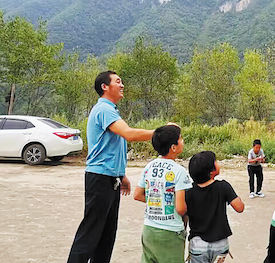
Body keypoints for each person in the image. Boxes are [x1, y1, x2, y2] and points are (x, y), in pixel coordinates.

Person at [67, 71, 155, 263]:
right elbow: (129, 134)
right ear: (105, 87)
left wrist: (121, 175)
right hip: (99, 178)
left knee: (106, 234)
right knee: (91, 231)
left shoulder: (111, 111)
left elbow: (114, 148)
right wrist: (162, 132)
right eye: (118, 81)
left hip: (109, 178)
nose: (122, 85)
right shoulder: (104, 110)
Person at [134, 124, 192, 263]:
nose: (182, 141)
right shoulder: (179, 171)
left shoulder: (149, 166)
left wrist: (157, 201)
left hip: (149, 228)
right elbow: (180, 208)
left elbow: (137, 194)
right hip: (170, 232)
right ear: (173, 147)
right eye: (180, 138)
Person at [186, 151, 245, 263]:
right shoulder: (223, 187)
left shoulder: (189, 191)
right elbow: (239, 207)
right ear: (211, 171)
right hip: (220, 244)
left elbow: (184, 214)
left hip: (198, 243)